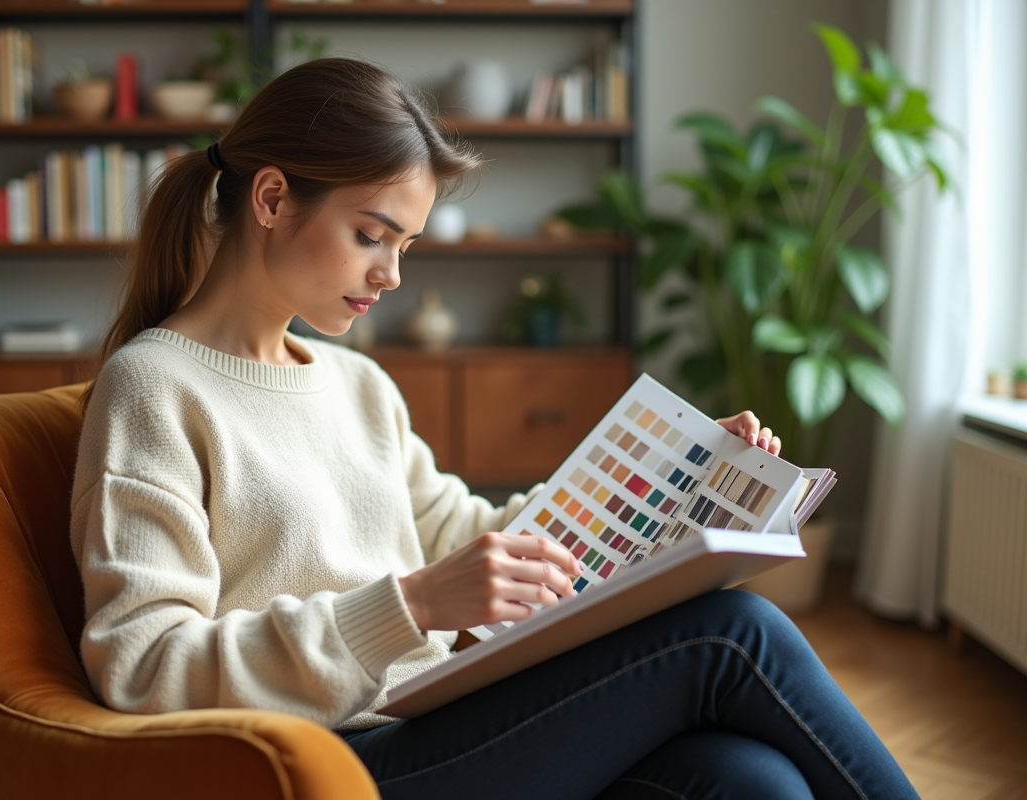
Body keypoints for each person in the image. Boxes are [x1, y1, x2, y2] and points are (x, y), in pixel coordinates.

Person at [71, 57, 918, 800]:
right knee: (737, 636)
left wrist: (678, 478)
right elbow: (144, 665)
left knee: (751, 781)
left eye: (405, 246)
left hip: (432, 721)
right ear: (271, 197)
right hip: (322, 762)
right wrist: (407, 606)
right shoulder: (153, 388)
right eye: (372, 235)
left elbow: (478, 537)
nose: (391, 275)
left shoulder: (358, 384)